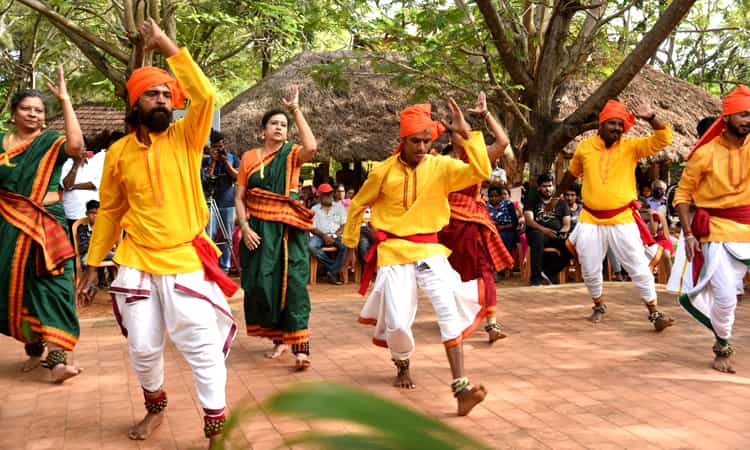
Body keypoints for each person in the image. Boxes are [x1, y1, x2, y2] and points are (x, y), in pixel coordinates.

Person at [75, 19, 237, 449]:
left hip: (185, 260)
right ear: (136, 104)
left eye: (168, 93)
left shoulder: (187, 136)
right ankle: (156, 406)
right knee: (144, 349)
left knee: (201, 348)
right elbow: (109, 211)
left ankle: (215, 429)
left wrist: (166, 44)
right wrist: (92, 267)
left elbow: (204, 95)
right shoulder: (119, 153)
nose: (164, 99)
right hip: (137, 262)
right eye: (154, 93)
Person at [343, 99, 490, 417]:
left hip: (430, 249)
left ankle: (461, 389)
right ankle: (402, 364)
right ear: (403, 140)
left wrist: (467, 135)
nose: (423, 146)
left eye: (427, 140)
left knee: (447, 310)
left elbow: (481, 170)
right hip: (394, 251)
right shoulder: (382, 171)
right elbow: (357, 205)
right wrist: (351, 244)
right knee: (397, 322)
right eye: (416, 141)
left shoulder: (442, 167)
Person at [558, 98, 675, 330]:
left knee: (638, 267)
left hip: (622, 219)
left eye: (621, 125)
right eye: (612, 124)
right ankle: (599, 305)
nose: (617, 129)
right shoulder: (585, 148)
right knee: (590, 268)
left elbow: (664, 139)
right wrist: (555, 196)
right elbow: (572, 174)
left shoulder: (631, 147)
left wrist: (651, 116)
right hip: (590, 219)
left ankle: (654, 313)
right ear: (601, 125)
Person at [0, 67, 84, 383]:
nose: (33, 114)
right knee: (16, 287)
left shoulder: (50, 142)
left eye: (38, 110)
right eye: (26, 108)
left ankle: (58, 358)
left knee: (56, 284)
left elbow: (76, 146)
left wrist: (64, 99)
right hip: (9, 223)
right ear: (14, 113)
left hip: (48, 224)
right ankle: (34, 346)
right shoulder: (1, 142)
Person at [235, 85, 317, 370]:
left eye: (283, 124)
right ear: (263, 130)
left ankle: (301, 349)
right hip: (258, 228)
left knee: (294, 284)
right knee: (262, 285)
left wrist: (295, 109)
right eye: (275, 123)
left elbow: (312, 147)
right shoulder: (248, 157)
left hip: (288, 229)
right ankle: (279, 339)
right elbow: (239, 197)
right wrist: (245, 228)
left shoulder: (292, 153)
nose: (280, 128)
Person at [674, 85, 750, 374]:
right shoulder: (704, 154)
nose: (748, 120)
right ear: (728, 116)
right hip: (717, 231)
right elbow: (682, 197)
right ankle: (722, 345)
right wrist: (690, 235)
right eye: (743, 114)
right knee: (726, 296)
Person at [438, 92, 514, 342]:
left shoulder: (478, 157)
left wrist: (486, 115)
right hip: (446, 225)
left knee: (483, 270)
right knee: (453, 275)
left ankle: (491, 323)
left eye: (467, 129)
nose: (464, 133)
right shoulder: (440, 162)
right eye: (459, 131)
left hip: (473, 222)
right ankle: (457, 317)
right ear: (451, 136)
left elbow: (503, 142)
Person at [202, 129, 239, 273]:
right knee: (209, 235)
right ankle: (210, 266)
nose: (219, 149)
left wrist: (225, 163)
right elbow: (206, 179)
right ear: (212, 147)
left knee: (227, 237)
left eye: (221, 146)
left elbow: (237, 176)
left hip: (228, 203)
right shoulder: (206, 159)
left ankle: (225, 268)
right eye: (216, 147)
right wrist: (212, 161)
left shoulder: (232, 158)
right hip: (211, 202)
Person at [524, 174, 571, 286]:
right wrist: (545, 230)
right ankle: (536, 280)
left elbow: (566, 224)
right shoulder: (532, 201)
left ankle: (548, 273)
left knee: (572, 243)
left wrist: (563, 233)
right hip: (538, 234)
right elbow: (529, 221)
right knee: (537, 236)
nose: (547, 189)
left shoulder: (562, 203)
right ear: (539, 187)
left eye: (550, 186)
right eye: (544, 186)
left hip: (556, 235)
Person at [309, 183, 348, 285]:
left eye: (330, 193)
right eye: (326, 194)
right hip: (320, 235)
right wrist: (324, 236)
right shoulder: (314, 209)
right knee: (311, 246)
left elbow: (344, 225)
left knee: (345, 245)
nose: (329, 196)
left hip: (336, 235)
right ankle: (334, 269)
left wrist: (334, 235)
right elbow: (312, 227)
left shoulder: (339, 207)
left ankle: (332, 270)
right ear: (320, 196)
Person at [60, 141, 105, 229]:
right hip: (74, 212)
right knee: (76, 241)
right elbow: (66, 185)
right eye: (77, 148)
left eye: (82, 148)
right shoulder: (65, 164)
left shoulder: (94, 163)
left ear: (85, 148)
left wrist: (73, 186)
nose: (80, 151)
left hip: (94, 212)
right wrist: (76, 164)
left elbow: (94, 184)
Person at [487, 185, 518, 254]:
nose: (493, 198)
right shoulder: (485, 206)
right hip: (490, 230)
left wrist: (502, 227)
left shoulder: (508, 205)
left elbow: (515, 223)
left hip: (507, 230)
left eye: (496, 196)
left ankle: (506, 261)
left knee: (502, 237)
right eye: (491, 196)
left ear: (501, 196)